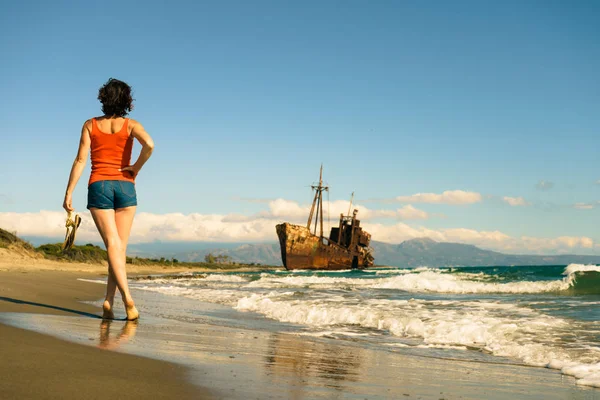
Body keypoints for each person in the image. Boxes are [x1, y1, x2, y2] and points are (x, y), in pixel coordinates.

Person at [63, 78, 154, 320]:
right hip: (126, 186)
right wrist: (135, 167)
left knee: (114, 247)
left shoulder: (90, 125)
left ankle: (118, 300)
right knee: (118, 248)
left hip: (99, 185)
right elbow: (150, 145)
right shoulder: (132, 125)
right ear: (127, 101)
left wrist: (69, 192)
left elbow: (81, 160)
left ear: (103, 99)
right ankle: (112, 300)